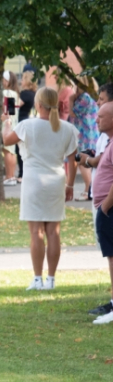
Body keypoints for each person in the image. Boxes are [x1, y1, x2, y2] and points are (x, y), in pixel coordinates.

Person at [1, 87, 80, 291]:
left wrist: (6, 122)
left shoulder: (27, 125)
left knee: (36, 232)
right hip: (56, 180)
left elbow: (6, 139)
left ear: (38, 105)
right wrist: (70, 184)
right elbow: (72, 162)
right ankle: (51, 279)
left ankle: (37, 278)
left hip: (34, 181)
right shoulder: (67, 128)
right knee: (53, 232)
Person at [80, 102, 113, 323]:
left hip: (109, 209)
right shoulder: (108, 143)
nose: (96, 120)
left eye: (101, 116)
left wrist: (105, 206)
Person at [71, 83, 99, 200]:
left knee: (83, 161)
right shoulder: (88, 96)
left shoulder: (84, 97)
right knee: (85, 161)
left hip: (85, 133)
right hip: (89, 132)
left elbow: (72, 113)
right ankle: (88, 189)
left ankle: (88, 190)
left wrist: (70, 99)